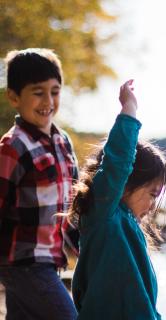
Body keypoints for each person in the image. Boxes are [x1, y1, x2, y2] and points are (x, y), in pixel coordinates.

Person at [71, 80, 166, 319]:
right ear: (126, 182)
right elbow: (119, 160)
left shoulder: (126, 226)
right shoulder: (104, 215)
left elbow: (143, 297)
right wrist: (130, 109)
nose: (152, 206)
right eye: (152, 194)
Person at [0, 48, 79, 319]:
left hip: (51, 259)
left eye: (54, 91)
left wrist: (85, 248)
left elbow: (74, 203)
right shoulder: (13, 146)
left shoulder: (63, 141)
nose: (48, 100)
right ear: (14, 96)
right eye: (37, 92)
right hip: (22, 262)